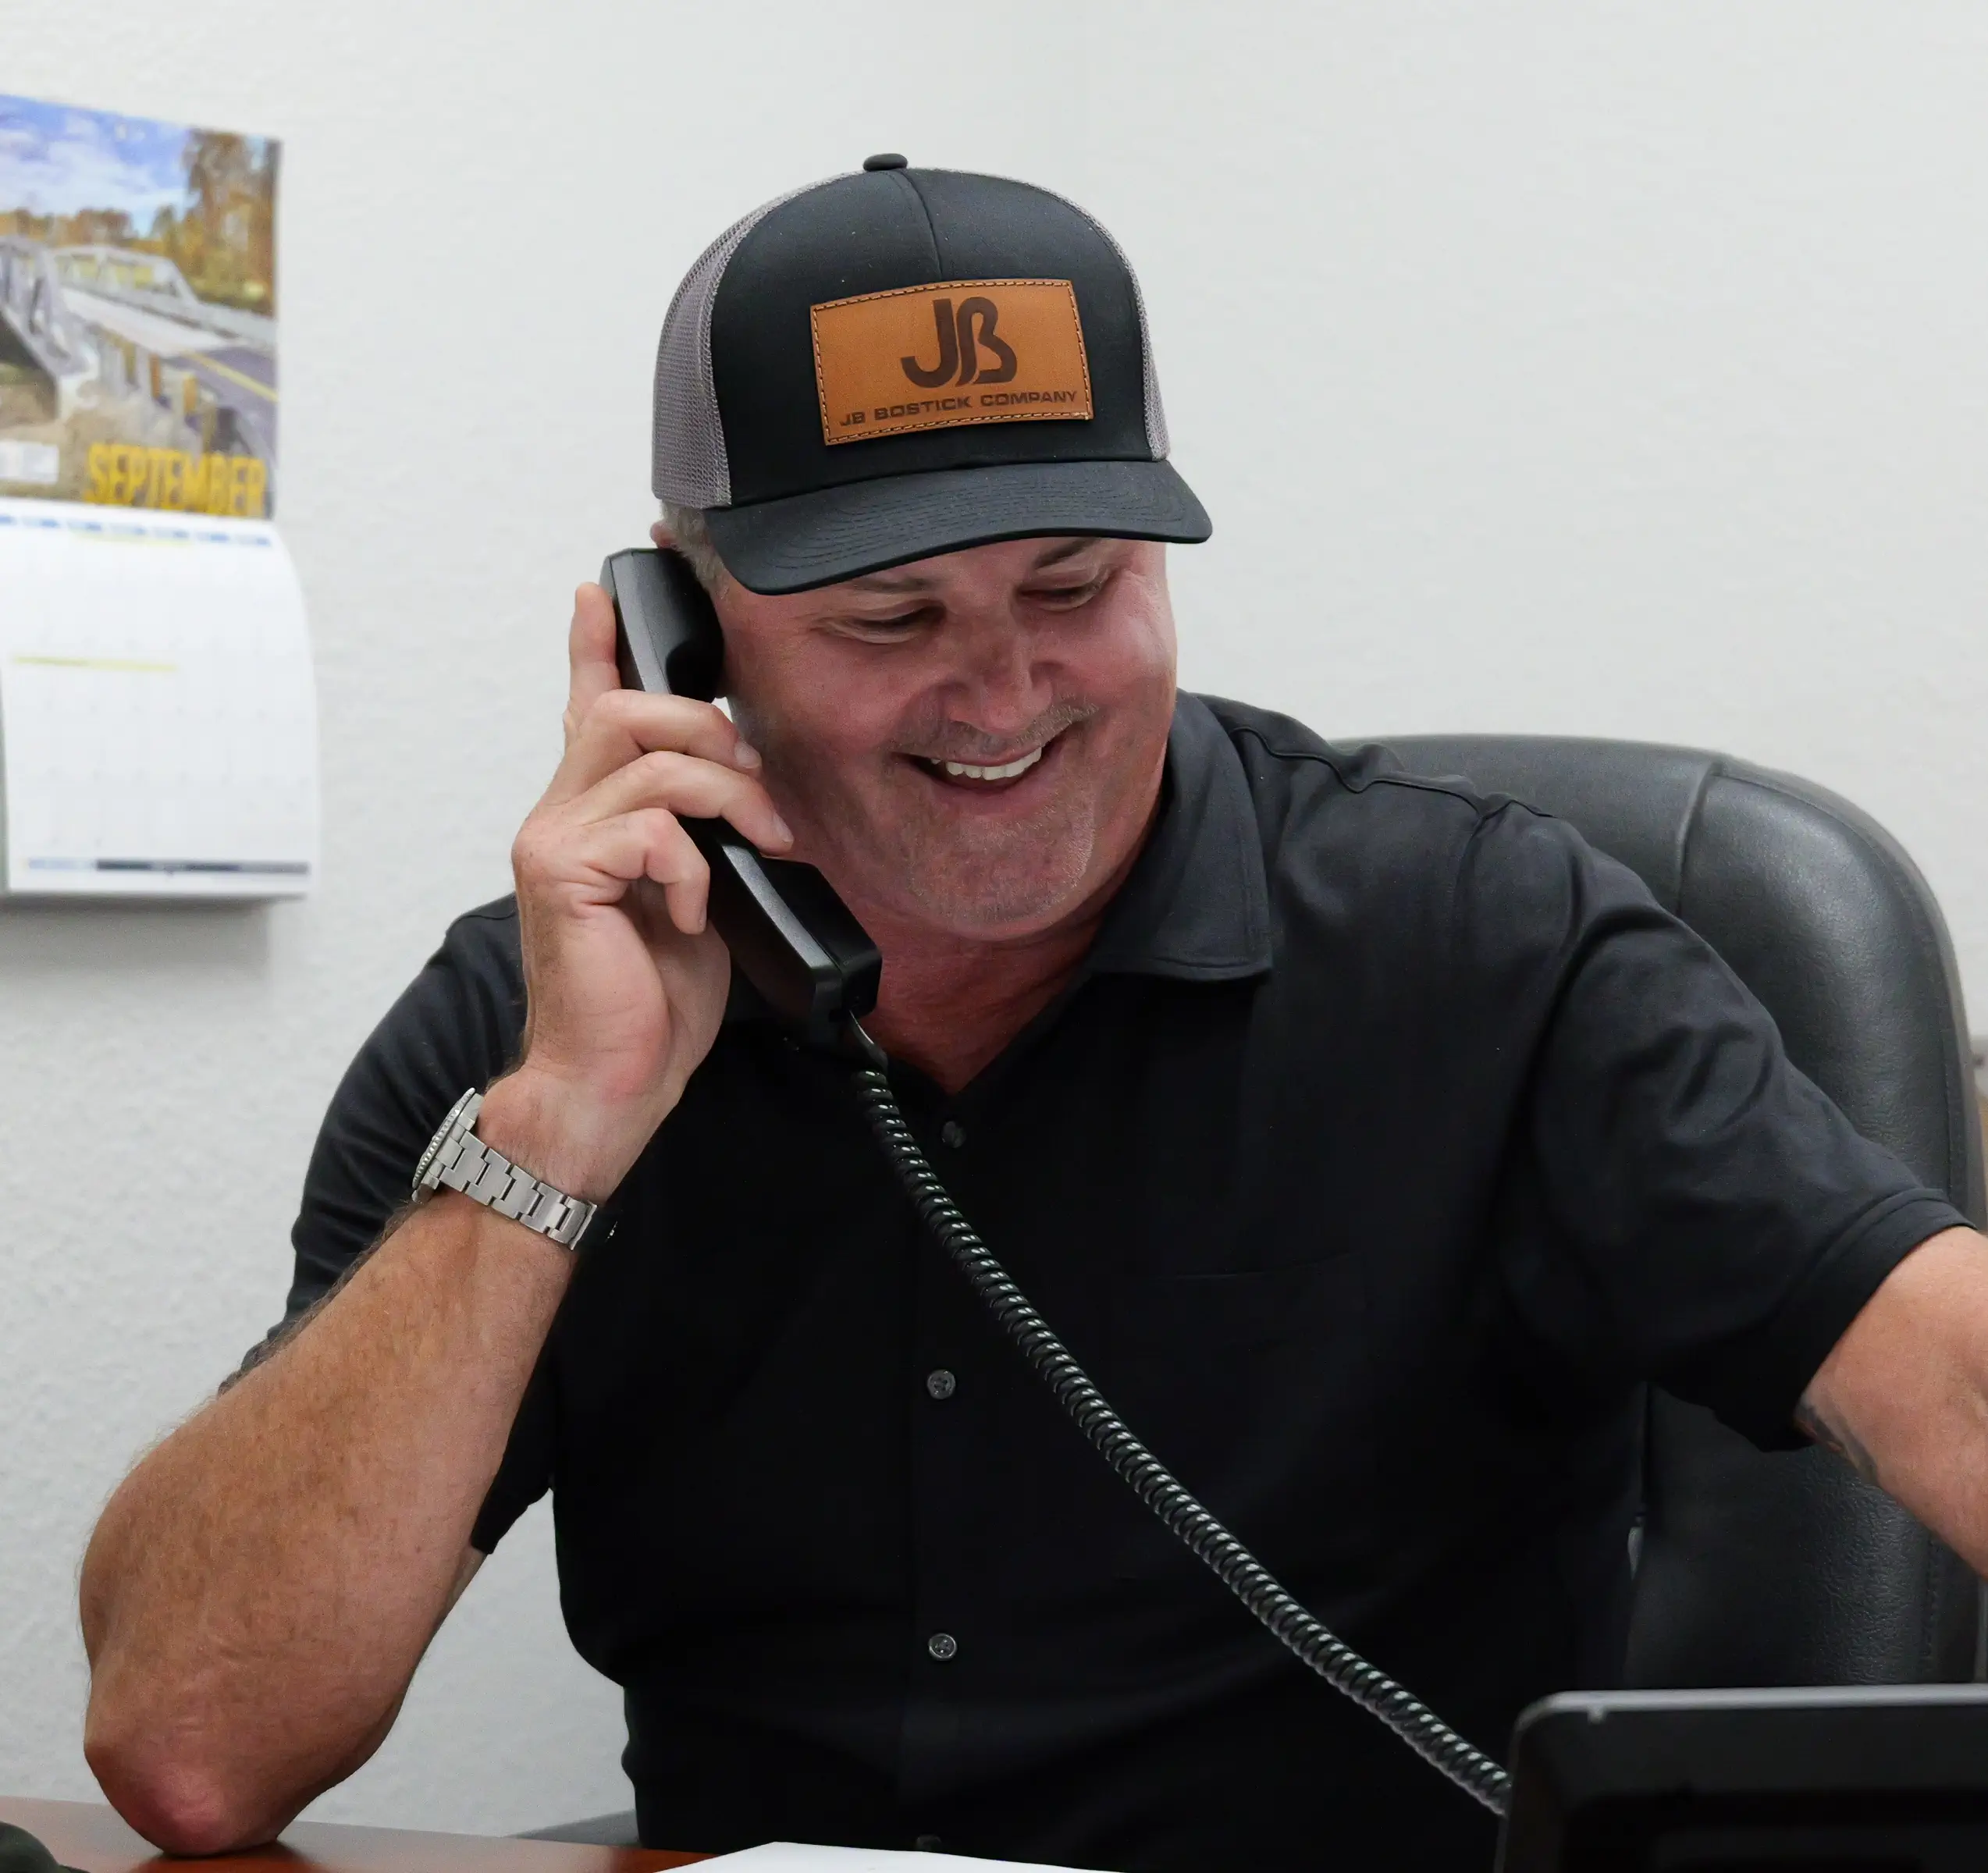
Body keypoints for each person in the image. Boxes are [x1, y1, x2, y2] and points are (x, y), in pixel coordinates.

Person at [74, 158, 1988, 1873]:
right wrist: (562, 1123)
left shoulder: (1491, 944)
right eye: (887, 622)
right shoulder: (530, 1022)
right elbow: (189, 1752)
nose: (1001, 698)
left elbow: (1940, 1369)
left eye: (1074, 587)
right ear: (676, 632)